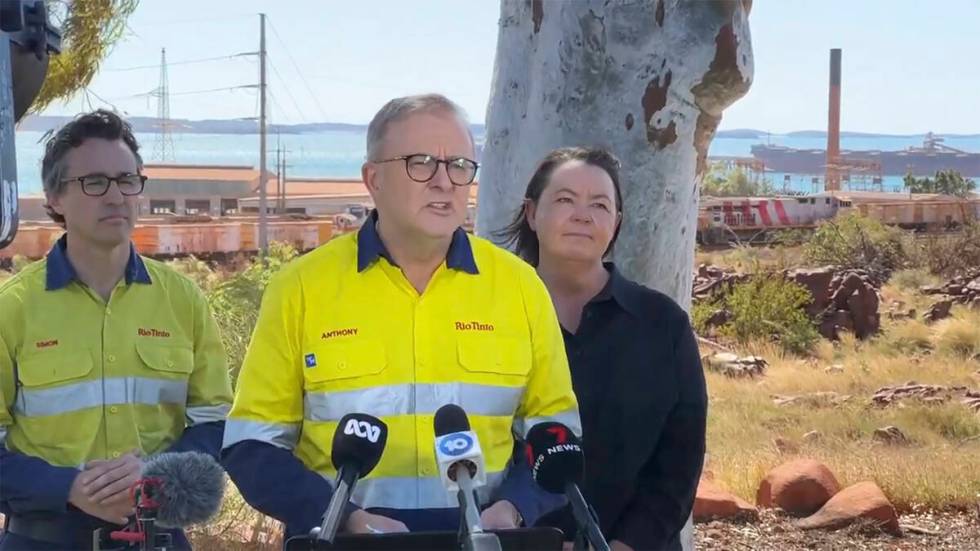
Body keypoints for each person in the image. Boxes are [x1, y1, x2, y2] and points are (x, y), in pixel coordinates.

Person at [221, 94, 580, 539]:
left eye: (460, 165)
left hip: (486, 540)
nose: (444, 181)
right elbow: (251, 445)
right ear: (373, 179)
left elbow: (558, 431)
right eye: (422, 162)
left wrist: (515, 507)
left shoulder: (520, 287)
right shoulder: (300, 289)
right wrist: (341, 516)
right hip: (346, 542)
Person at [0, 110, 234, 550]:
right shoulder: (11, 310)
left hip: (159, 538)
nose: (115, 196)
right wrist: (68, 488)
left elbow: (215, 422)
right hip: (45, 539)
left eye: (127, 179)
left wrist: (155, 481)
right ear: (54, 197)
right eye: (94, 182)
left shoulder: (183, 301)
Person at [497, 147, 707, 551]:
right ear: (531, 212)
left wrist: (625, 545)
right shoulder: (487, 321)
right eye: (564, 200)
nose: (583, 215)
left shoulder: (663, 324)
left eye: (600, 204)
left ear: (617, 222)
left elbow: (680, 464)